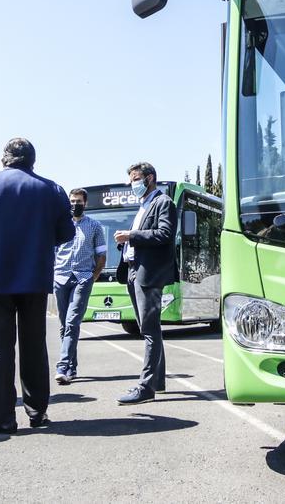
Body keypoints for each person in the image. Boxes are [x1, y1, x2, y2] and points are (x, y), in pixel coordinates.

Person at [0, 138, 74, 434]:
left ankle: (2, 418)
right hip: (34, 277)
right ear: (32, 161)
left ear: (4, 159)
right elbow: (66, 233)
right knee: (34, 345)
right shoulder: (52, 189)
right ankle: (37, 412)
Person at [113, 162, 177, 405]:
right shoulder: (143, 206)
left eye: (136, 179)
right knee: (149, 329)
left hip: (148, 274)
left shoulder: (163, 203)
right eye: (131, 180)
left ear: (150, 178)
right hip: (133, 270)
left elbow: (164, 234)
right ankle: (157, 382)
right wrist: (126, 243)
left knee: (150, 330)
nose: (133, 184)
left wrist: (131, 236)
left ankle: (146, 386)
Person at [52, 188, 108, 385]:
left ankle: (62, 366)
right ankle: (72, 368)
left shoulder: (94, 226)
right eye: (72, 201)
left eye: (79, 201)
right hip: (60, 278)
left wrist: (93, 277)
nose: (75, 204)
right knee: (64, 324)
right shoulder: (59, 225)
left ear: (85, 203)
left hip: (83, 279)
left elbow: (101, 255)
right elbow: (51, 251)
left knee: (72, 321)